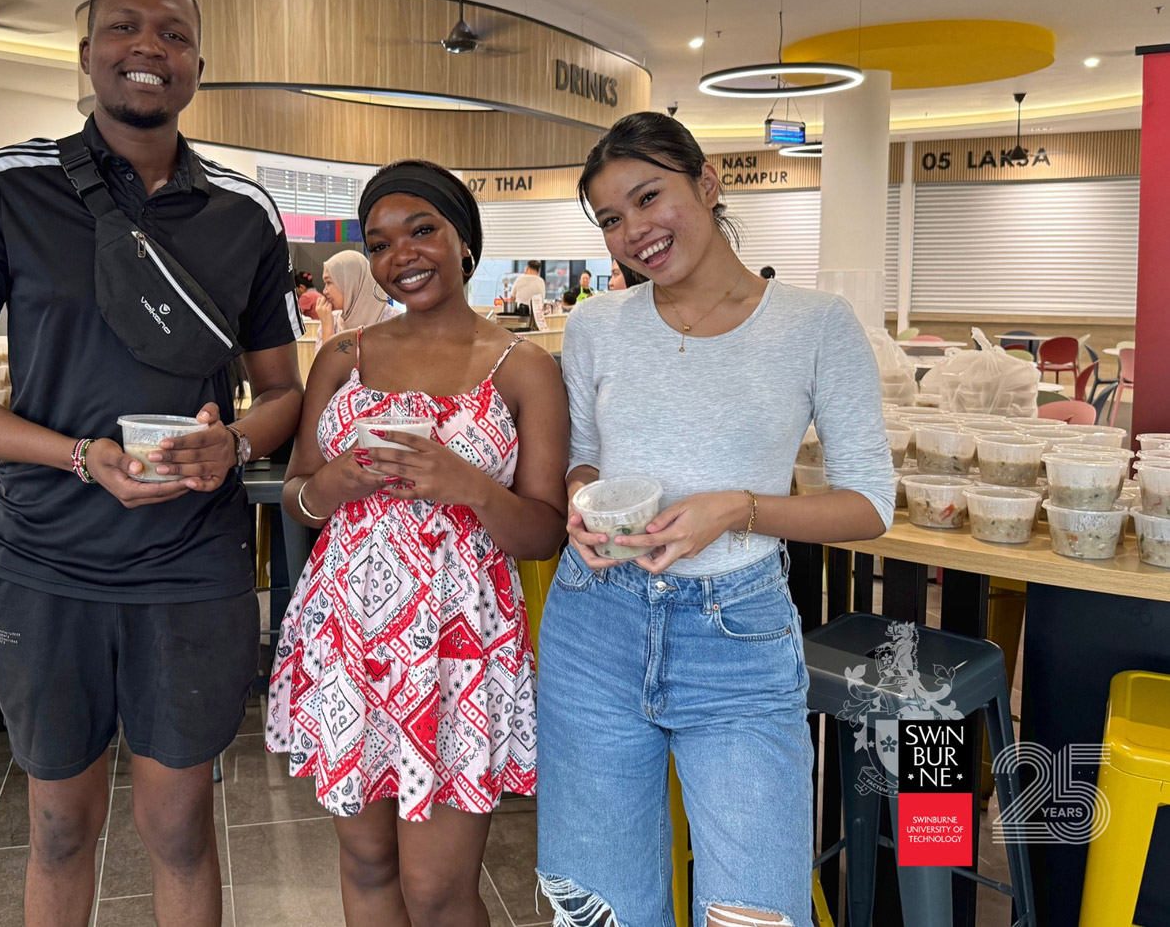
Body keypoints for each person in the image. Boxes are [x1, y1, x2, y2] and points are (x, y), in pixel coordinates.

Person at [0, 0, 303, 927]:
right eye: (125, 28)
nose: (148, 50)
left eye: (172, 36)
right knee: (58, 826)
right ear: (85, 52)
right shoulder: (8, 188)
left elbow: (283, 391)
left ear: (198, 67)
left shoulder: (244, 213)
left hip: (191, 562)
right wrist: (78, 456)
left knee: (180, 829)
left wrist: (236, 442)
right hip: (46, 558)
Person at [535, 112, 893, 927]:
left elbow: (871, 504)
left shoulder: (814, 323)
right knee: (602, 908)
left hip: (736, 635)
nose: (634, 231)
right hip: (595, 625)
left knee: (753, 910)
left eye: (648, 196)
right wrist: (583, 506)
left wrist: (743, 508)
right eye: (611, 219)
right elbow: (582, 462)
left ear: (708, 181)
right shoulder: (595, 324)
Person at [266, 160, 569, 927]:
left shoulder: (523, 367)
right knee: (367, 864)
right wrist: (330, 486)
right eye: (380, 241)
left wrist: (465, 482)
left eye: (422, 229)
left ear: (464, 239)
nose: (402, 253)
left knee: (437, 890)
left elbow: (543, 530)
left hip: (457, 646)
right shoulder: (343, 357)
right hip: (349, 634)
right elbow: (298, 494)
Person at [314, 248, 394, 343]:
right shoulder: (332, 321)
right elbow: (325, 358)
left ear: (350, 283)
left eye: (329, 282)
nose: (325, 291)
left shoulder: (394, 320)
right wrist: (327, 328)